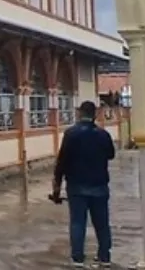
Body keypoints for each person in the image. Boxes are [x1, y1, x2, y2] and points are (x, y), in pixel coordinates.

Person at [52, 100, 116, 268]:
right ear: (95, 114)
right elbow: (111, 155)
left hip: (76, 186)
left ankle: (78, 259)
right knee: (102, 224)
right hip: (99, 186)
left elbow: (61, 162)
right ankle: (104, 258)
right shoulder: (103, 135)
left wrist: (56, 187)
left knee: (77, 223)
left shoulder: (71, 134)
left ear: (79, 113)